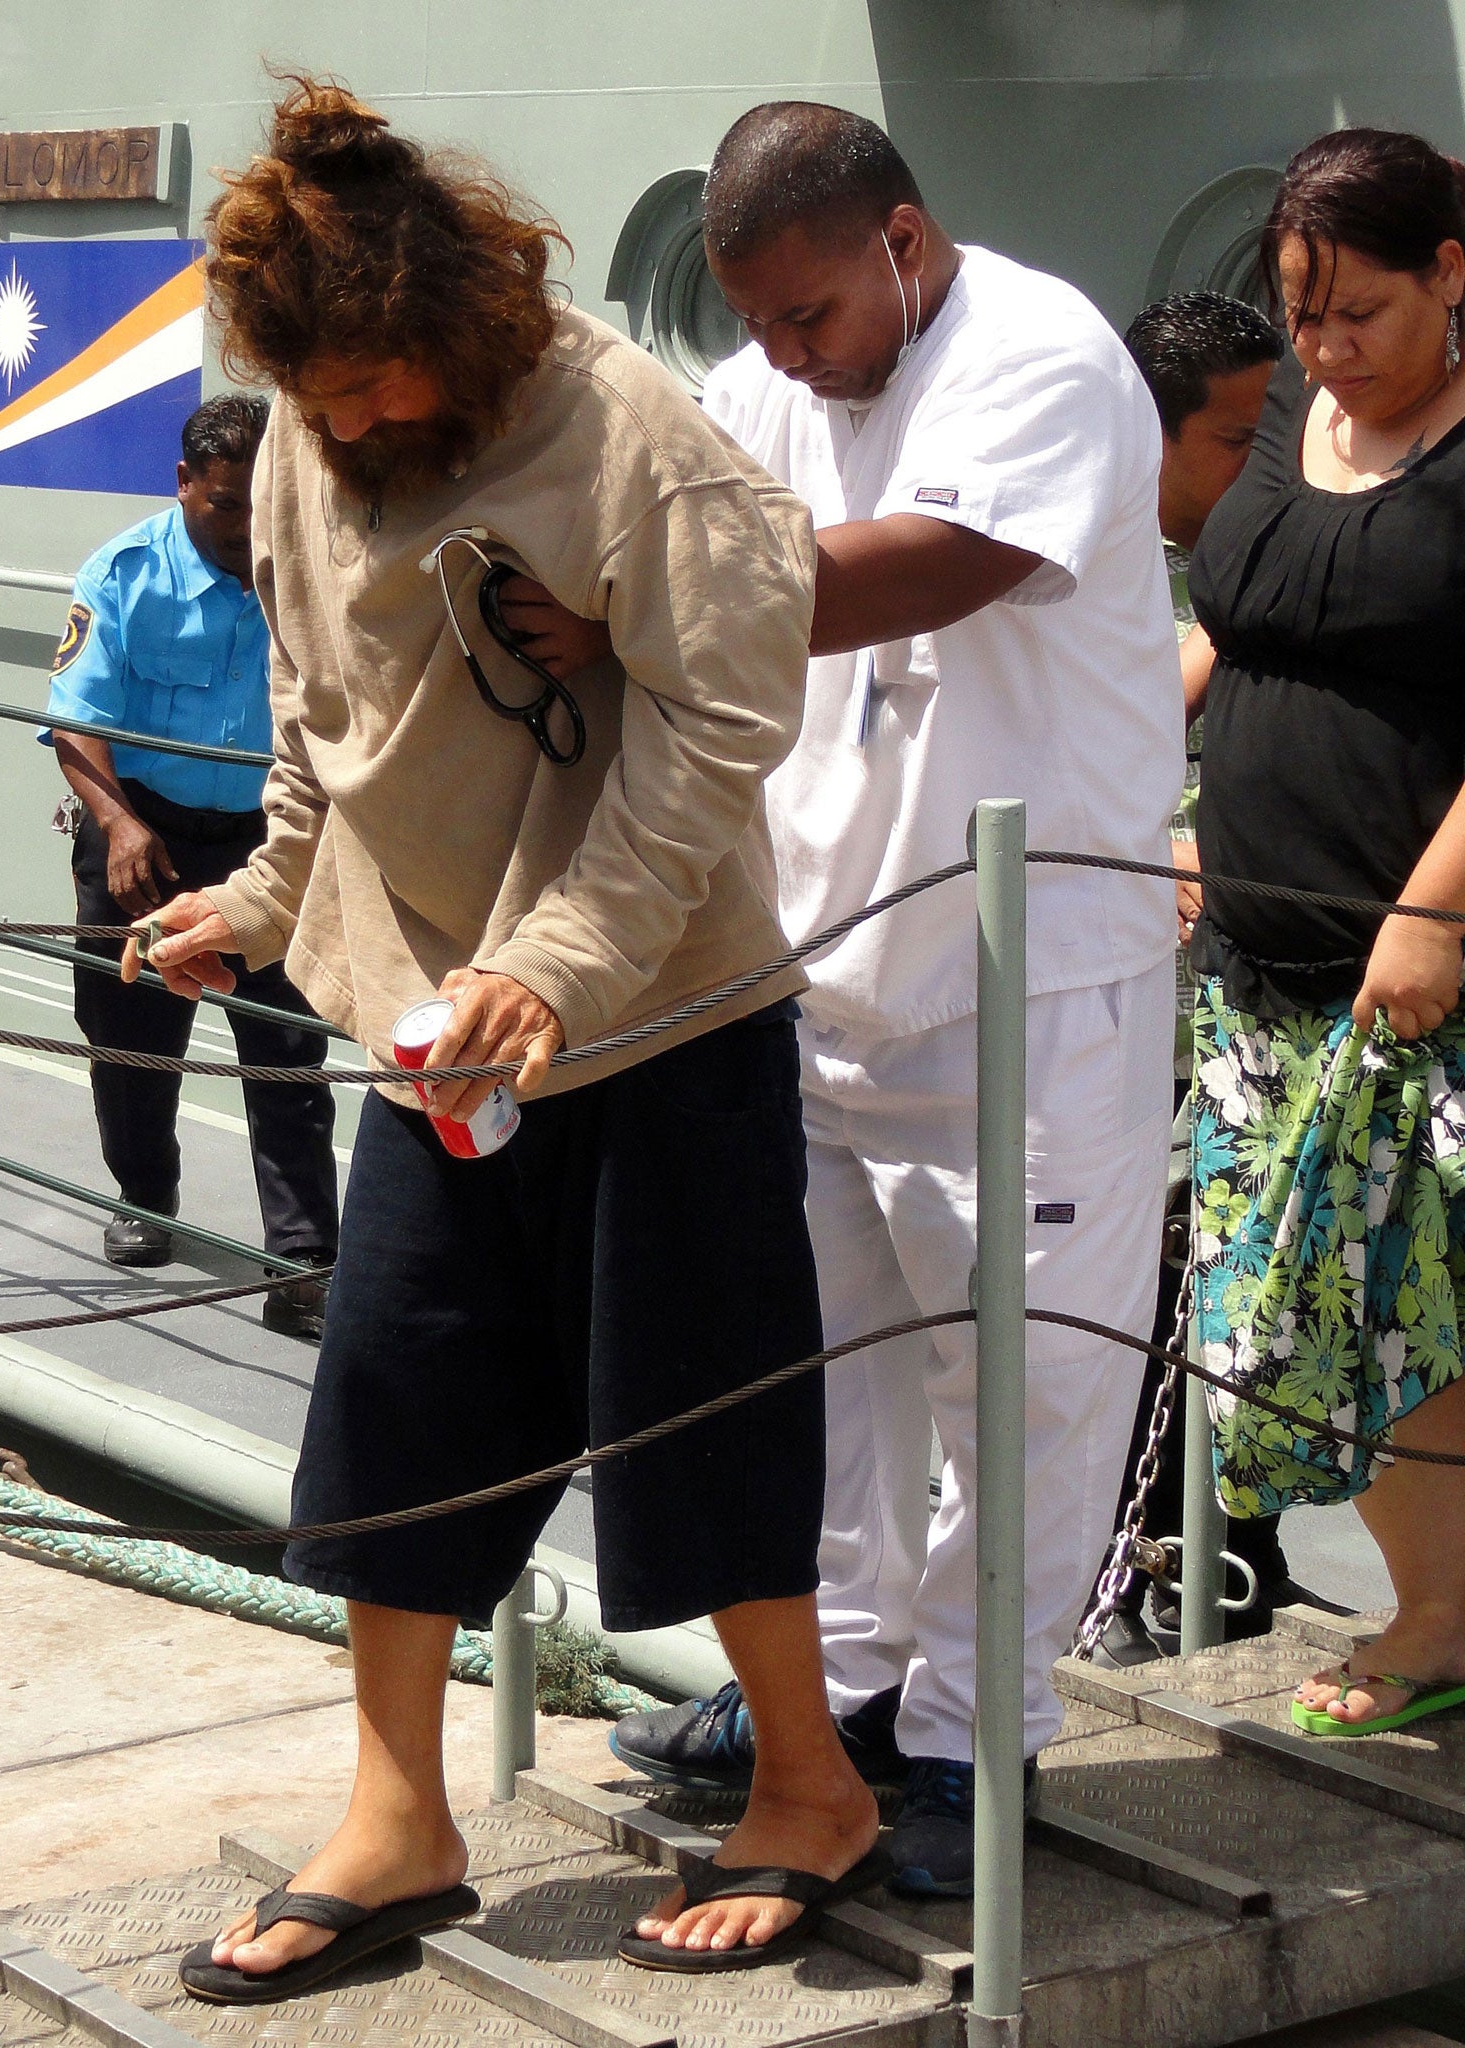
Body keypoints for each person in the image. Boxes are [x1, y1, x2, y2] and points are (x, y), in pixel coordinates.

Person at [138, 78, 885, 1998]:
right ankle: (400, 1812)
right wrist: (265, 901)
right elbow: (325, 712)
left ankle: (806, 1783)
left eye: (385, 386)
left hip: (658, 1012)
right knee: (397, 1398)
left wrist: (558, 956)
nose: (362, 425)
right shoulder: (320, 427)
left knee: (696, 1399)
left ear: (465, 324)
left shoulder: (635, 433)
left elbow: (726, 726)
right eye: (326, 400)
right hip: (432, 1030)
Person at [593, 103, 1184, 1894]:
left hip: (1027, 984)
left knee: (1021, 1386)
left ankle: (969, 1741)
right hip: (824, 968)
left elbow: (939, 562)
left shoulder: (1041, 349)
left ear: (902, 245)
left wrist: (642, 603)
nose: (782, 355)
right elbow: (702, 534)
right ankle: (834, 1700)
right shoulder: (777, 389)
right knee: (835, 1378)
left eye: (811, 313)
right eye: (755, 322)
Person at [1184, 127, 1465, 1738]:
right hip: (1266, 973)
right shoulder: (1301, 419)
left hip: (1416, 975)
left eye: (1358, 311)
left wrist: (1431, 914)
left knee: (1420, 1298)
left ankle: (1430, 1617)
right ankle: (1434, 1594)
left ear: (1449, 272)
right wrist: (1124, 793)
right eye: (1300, 313)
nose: (1324, 347)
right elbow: (1237, 623)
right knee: (1309, 1306)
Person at [1086, 291, 1290, 1665]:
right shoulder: (1086, 568)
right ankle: (1155, 1568)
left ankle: (1221, 1568)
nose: (1261, 466)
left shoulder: (1251, 553)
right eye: (1235, 439)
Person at [45, 395, 339, 1338]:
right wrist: (116, 822)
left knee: (287, 1043)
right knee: (129, 1031)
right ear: (183, 485)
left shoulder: (310, 571)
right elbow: (75, 720)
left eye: (261, 506)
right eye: (224, 506)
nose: (246, 528)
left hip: (271, 837)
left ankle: (300, 1262)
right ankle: (145, 1196)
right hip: (145, 831)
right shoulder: (124, 574)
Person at [1125, 292, 1283, 552]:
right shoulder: (1098, 566)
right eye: (1237, 440)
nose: (1268, 456)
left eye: (1277, 432)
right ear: (1152, 429)